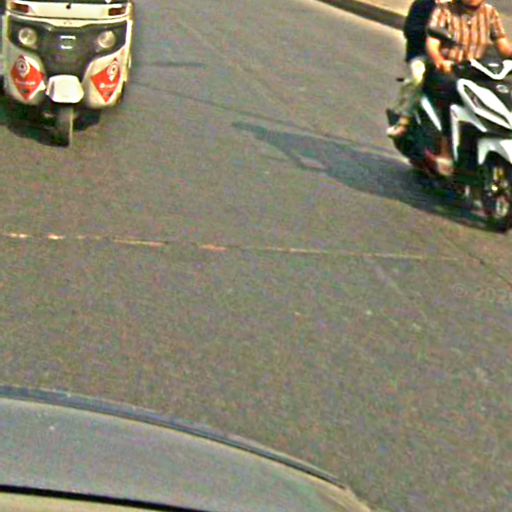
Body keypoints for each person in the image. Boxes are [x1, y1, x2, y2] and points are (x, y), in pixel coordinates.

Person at [425, 0, 512, 175]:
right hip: (451, 69)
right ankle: (446, 151)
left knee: (503, 91)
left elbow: (502, 45)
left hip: (478, 69)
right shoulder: (445, 10)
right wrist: (440, 61)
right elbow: (432, 44)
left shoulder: (490, 12)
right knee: (451, 90)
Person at [387, 0, 442, 138]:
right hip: (421, 54)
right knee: (418, 77)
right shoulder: (423, 4)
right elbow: (410, 30)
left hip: (449, 57)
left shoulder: (459, 9)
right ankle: (403, 118)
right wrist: (432, 34)